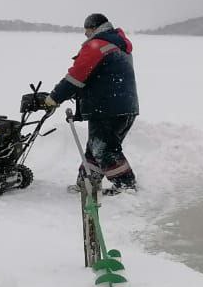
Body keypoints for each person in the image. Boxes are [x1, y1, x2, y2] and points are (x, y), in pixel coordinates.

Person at [43, 13, 140, 191]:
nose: (86, 35)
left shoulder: (98, 45)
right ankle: (88, 184)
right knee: (95, 148)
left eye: (87, 31)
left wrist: (53, 99)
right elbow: (102, 76)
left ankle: (127, 187)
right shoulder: (118, 43)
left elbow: (75, 77)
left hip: (107, 107)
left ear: (94, 28)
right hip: (125, 106)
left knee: (104, 150)